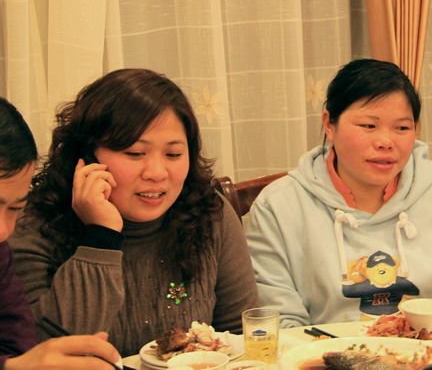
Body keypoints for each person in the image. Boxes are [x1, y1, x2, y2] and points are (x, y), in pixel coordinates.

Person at [246, 58, 432, 327]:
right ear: (329, 123)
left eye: (402, 128)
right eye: (369, 126)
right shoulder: (278, 207)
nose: (385, 142)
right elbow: (277, 321)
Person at [10, 69, 258, 357]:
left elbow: (240, 337)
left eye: (173, 154)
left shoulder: (210, 214)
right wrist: (100, 236)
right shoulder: (32, 224)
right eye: (135, 153)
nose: (156, 173)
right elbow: (44, 354)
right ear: (87, 157)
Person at [0, 97, 121, 369]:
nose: (3, 230)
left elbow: (18, 347)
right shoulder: (41, 227)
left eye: (15, 208)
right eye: (135, 153)